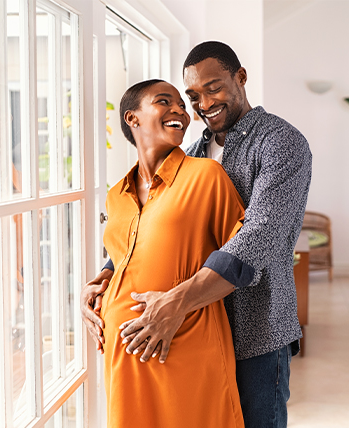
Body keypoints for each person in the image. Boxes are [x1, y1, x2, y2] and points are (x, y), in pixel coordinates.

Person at [81, 41, 312, 428]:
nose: (203, 104)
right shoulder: (192, 151)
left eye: (214, 88)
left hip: (255, 331)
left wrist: (175, 302)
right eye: (193, 96)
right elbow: (160, 222)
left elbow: (259, 237)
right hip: (194, 331)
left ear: (240, 78)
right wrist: (108, 273)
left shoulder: (280, 143)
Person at [99, 79, 245, 427]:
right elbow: (124, 260)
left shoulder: (207, 176)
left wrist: (177, 304)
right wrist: (97, 289)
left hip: (187, 344)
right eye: (164, 101)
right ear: (132, 118)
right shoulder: (116, 195)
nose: (180, 109)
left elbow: (242, 259)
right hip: (125, 353)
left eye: (182, 104)